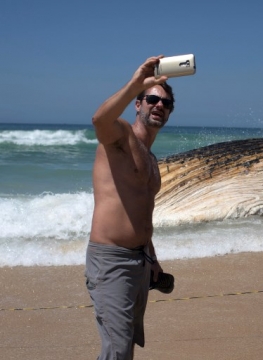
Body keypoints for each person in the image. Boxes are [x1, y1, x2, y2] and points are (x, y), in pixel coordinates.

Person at [85, 55, 174, 360]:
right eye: (151, 99)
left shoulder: (151, 160)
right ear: (138, 104)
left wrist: (152, 257)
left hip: (139, 261)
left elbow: (141, 212)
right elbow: (99, 119)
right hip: (111, 262)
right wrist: (136, 82)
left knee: (124, 345)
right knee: (118, 347)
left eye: (166, 103)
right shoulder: (120, 136)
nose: (159, 105)